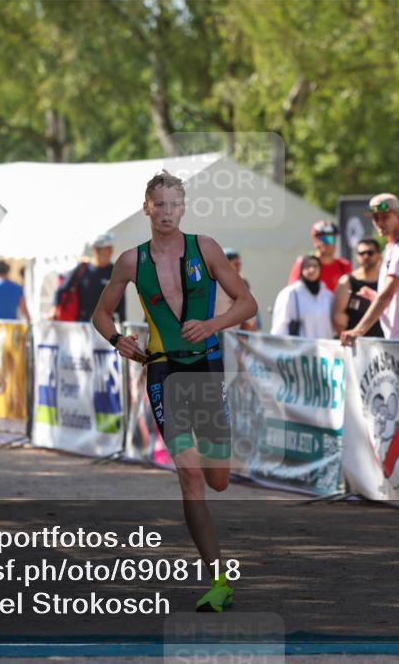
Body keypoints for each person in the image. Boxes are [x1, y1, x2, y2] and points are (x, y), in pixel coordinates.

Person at [92, 170, 257, 613]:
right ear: (146, 207)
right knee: (190, 478)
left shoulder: (206, 248)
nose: (166, 213)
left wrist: (212, 323)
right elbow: (102, 314)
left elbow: (247, 302)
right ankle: (219, 580)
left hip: (205, 366)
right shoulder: (131, 261)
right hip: (164, 371)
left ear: (183, 209)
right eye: (158, 205)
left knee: (218, 479)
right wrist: (118, 340)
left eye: (173, 205)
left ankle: (215, 454)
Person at [341, 193, 399, 344]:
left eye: (385, 217)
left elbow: (387, 295)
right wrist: (375, 296)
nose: (380, 222)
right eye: (375, 218)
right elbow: (398, 294)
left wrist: (358, 330)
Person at [52, 232, 125, 323]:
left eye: (111, 248)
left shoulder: (115, 271)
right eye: (107, 248)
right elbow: (61, 289)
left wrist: (123, 323)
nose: (111, 251)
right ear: (96, 250)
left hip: (107, 325)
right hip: (83, 324)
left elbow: (121, 300)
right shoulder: (83, 268)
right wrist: (55, 309)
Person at [271, 254, 335, 339]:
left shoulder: (328, 296)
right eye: (308, 266)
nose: (311, 270)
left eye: (315, 266)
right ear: (301, 269)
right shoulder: (291, 293)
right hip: (299, 350)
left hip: (324, 350)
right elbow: (280, 327)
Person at [332, 237, 383, 337]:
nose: (365, 256)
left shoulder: (386, 281)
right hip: (357, 345)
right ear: (357, 256)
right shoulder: (347, 282)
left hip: (383, 344)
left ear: (378, 255)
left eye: (370, 252)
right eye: (361, 253)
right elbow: (339, 318)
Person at [287, 221, 351, 292]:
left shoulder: (344, 265)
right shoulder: (303, 264)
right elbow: (293, 293)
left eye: (332, 239)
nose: (329, 243)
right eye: (324, 239)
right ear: (315, 240)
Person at [214, 248, 258, 331]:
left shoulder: (243, 284)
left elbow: (249, 320)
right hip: (213, 335)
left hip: (233, 338)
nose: (239, 268)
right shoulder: (213, 282)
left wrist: (242, 340)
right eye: (236, 264)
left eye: (239, 264)